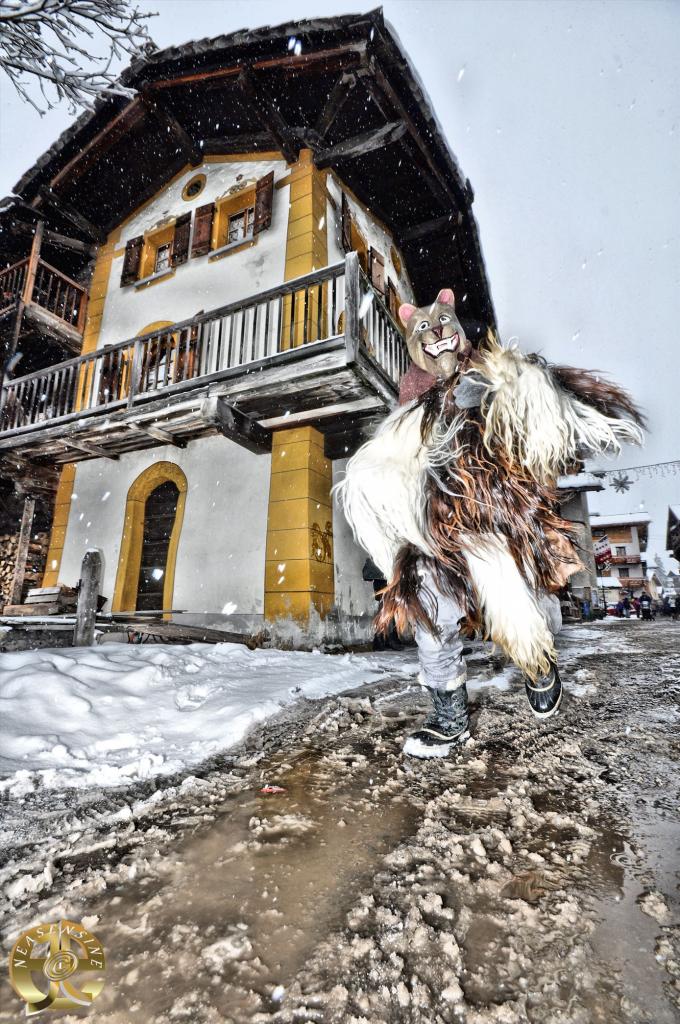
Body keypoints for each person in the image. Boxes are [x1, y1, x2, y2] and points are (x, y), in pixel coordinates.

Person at [337, 288, 644, 758]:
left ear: (459, 331)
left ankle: (537, 663)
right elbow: (400, 463)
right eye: (423, 328)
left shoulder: (490, 369)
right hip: (439, 527)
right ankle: (449, 714)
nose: (436, 333)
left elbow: (535, 415)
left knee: (524, 603)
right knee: (428, 612)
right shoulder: (411, 393)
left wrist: (497, 399)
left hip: (500, 517)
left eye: (443, 323)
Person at [362, 557, 402, 651]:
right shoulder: (380, 553)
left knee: (387, 612)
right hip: (383, 585)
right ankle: (382, 640)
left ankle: (384, 639)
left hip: (384, 584)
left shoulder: (380, 554)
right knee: (384, 612)